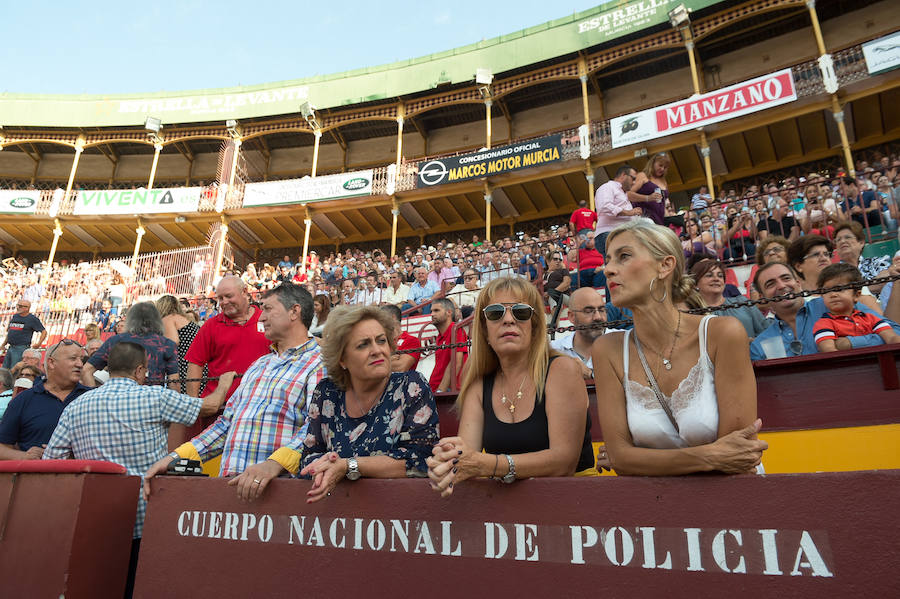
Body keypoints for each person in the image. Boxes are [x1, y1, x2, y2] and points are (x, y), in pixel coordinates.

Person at [42, 342, 233, 598]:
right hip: (147, 517)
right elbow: (209, 407)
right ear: (140, 370)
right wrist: (224, 382)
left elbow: (52, 459)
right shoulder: (155, 396)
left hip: (98, 518)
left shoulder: (76, 406)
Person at [590, 219, 767, 475]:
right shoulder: (607, 350)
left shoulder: (721, 333)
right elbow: (620, 459)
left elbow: (738, 458)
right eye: (608, 260)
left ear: (665, 265)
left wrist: (643, 460)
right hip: (658, 508)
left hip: (733, 502)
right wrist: (710, 455)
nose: (608, 269)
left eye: (624, 256)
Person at [143, 283, 325, 497]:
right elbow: (226, 424)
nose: (261, 318)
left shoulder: (320, 363)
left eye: (268, 309)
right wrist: (174, 458)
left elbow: (316, 427)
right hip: (231, 490)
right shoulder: (259, 365)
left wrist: (272, 465)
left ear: (294, 311)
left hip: (279, 492)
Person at [426, 277, 593, 497]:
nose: (508, 320)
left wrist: (489, 465)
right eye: (495, 313)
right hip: (507, 512)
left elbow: (564, 462)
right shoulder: (477, 379)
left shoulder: (561, 369)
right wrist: (448, 463)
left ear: (534, 326)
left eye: (520, 312)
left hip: (574, 505)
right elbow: (467, 454)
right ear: (484, 329)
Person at [294, 305, 440, 503]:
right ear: (342, 359)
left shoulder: (411, 386)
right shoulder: (327, 392)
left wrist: (349, 466)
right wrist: (326, 466)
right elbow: (309, 455)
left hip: (399, 510)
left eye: (381, 341)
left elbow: (421, 459)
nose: (377, 350)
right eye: (363, 344)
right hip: (337, 510)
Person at [749, 262, 900, 360]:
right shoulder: (760, 345)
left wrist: (850, 343)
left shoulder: (835, 304)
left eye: (786, 278)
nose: (781, 286)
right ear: (762, 298)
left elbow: (896, 333)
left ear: (798, 283)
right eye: (770, 284)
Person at [183, 276, 270, 406]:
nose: (224, 302)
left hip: (259, 404)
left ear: (245, 292)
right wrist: (194, 404)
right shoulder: (211, 325)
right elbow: (195, 363)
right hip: (219, 407)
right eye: (220, 298)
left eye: (229, 296)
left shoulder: (266, 320)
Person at [0, 340, 90, 460]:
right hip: (35, 477)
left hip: (82, 477)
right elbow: (2, 447)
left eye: (81, 359)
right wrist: (25, 456)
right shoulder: (24, 399)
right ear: (51, 362)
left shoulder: (91, 398)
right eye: (73, 358)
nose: (80, 364)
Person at [82, 302, 178, 388]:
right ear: (157, 320)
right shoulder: (167, 344)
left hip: (116, 400)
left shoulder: (114, 341)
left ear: (130, 319)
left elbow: (86, 370)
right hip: (154, 402)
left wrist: (93, 394)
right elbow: (174, 382)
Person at [813, 264, 900, 352]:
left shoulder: (870, 319)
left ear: (856, 295)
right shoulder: (824, 323)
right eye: (826, 291)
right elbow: (828, 350)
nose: (833, 294)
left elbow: (892, 337)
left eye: (839, 289)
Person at [690, 260, 769, 339]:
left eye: (720, 276)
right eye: (709, 275)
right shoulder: (693, 313)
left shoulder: (742, 302)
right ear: (696, 284)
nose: (716, 279)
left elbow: (765, 329)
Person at [550, 287, 610, 379]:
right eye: (589, 311)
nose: (598, 317)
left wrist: (591, 376)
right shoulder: (554, 350)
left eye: (602, 310)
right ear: (572, 316)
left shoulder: (623, 341)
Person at [833, 221, 892, 296]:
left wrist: (856, 291)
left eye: (847, 237)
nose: (842, 241)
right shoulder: (834, 272)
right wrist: (870, 288)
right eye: (838, 240)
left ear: (861, 243)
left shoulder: (876, 262)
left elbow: (888, 279)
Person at [156, 295, 201, 394]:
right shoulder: (184, 319)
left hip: (183, 366)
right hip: (196, 365)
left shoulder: (168, 319)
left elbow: (172, 343)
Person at [593, 165, 640, 256]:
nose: (634, 182)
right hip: (610, 233)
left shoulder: (622, 193)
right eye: (633, 178)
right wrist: (629, 212)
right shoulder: (607, 187)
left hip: (618, 233)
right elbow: (605, 206)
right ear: (623, 175)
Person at [429, 298, 468, 393]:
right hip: (435, 390)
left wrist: (441, 391)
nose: (432, 314)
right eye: (431, 311)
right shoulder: (440, 336)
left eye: (436, 310)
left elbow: (456, 363)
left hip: (447, 392)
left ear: (449, 312)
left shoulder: (456, 329)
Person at [1, 299, 47, 369]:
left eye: (20, 306)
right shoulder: (15, 316)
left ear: (27, 308)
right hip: (11, 347)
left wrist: (39, 343)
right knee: (4, 369)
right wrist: (3, 344)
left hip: (21, 348)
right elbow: (10, 332)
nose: (18, 307)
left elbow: (44, 331)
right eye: (17, 305)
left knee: (15, 369)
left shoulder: (32, 319)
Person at [627, 152, 670, 226]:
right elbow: (628, 194)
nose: (662, 169)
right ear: (653, 163)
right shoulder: (643, 176)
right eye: (660, 165)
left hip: (659, 220)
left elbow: (662, 203)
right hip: (645, 217)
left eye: (665, 167)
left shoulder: (664, 181)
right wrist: (648, 198)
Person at [382, 304, 421, 372]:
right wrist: (389, 360)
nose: (378, 322)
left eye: (381, 318)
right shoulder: (381, 342)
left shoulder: (411, 340)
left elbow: (400, 367)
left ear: (392, 317)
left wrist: (380, 362)